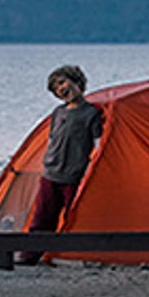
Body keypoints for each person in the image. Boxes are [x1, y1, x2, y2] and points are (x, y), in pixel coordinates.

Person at [32, 65, 101, 235]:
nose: (61, 89)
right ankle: (31, 254)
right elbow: (52, 140)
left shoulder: (90, 114)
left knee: (73, 216)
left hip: (73, 175)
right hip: (50, 173)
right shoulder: (58, 112)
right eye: (56, 89)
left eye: (62, 82)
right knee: (43, 216)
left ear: (77, 81)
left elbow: (98, 145)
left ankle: (67, 252)